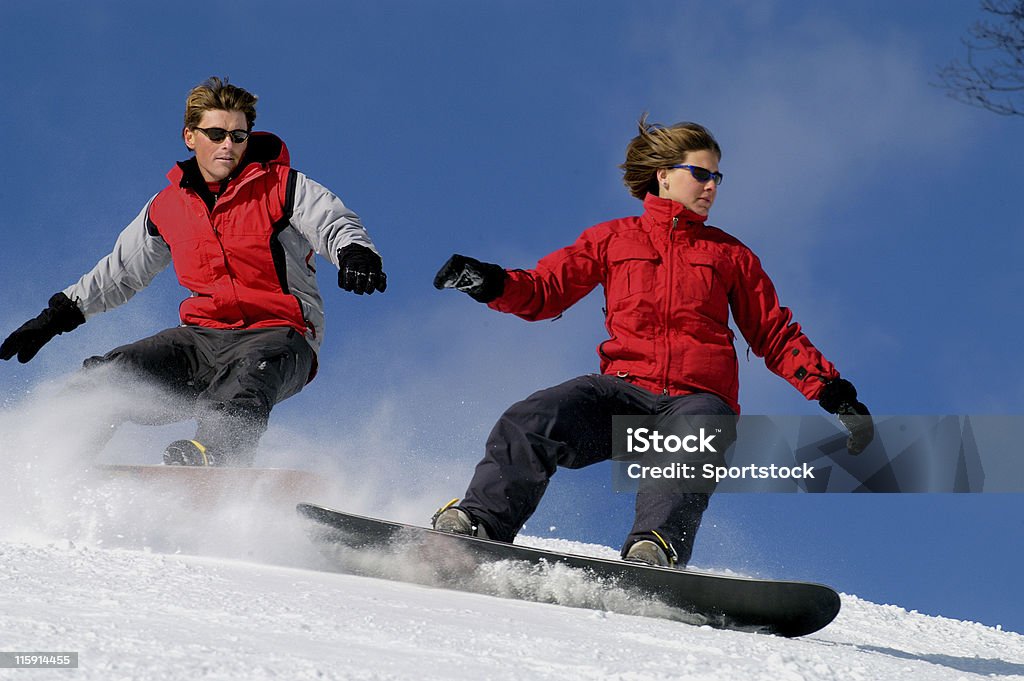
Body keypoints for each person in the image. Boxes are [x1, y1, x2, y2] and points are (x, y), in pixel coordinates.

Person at [431, 115, 871, 567]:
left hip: (697, 400)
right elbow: (545, 291)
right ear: (663, 176)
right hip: (623, 394)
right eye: (700, 174)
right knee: (533, 416)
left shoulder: (730, 256)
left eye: (717, 177)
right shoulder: (612, 240)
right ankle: (480, 523)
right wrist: (489, 282)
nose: (711, 187)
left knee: (693, 438)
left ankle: (654, 550)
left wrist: (834, 394)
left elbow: (774, 332)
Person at [0, 77, 386, 466]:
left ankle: (214, 458)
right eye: (216, 133)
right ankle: (48, 459)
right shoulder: (168, 206)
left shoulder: (282, 187)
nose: (228, 145)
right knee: (111, 376)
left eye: (238, 135)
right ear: (190, 135)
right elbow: (120, 272)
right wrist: (55, 317)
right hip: (200, 340)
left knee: (244, 384)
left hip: (280, 335)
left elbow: (333, 222)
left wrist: (356, 254)